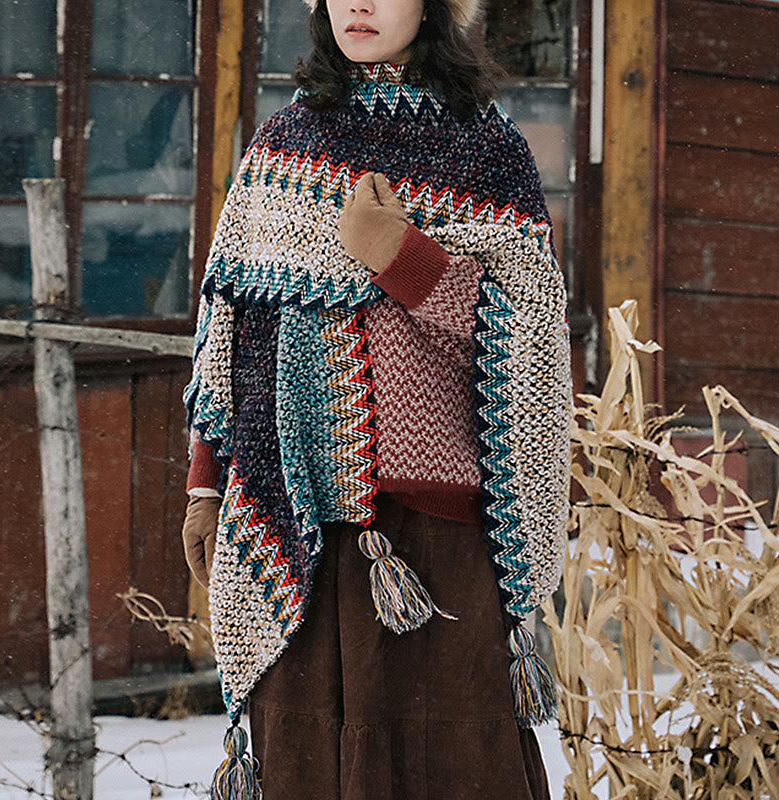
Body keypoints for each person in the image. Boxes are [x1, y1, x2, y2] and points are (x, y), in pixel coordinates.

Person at [181, 0, 572, 797]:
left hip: (442, 551)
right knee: (306, 769)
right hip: (295, 531)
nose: (358, 4)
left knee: (450, 770)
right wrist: (204, 486)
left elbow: (533, 342)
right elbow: (229, 331)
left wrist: (403, 259)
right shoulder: (281, 147)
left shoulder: (485, 148)